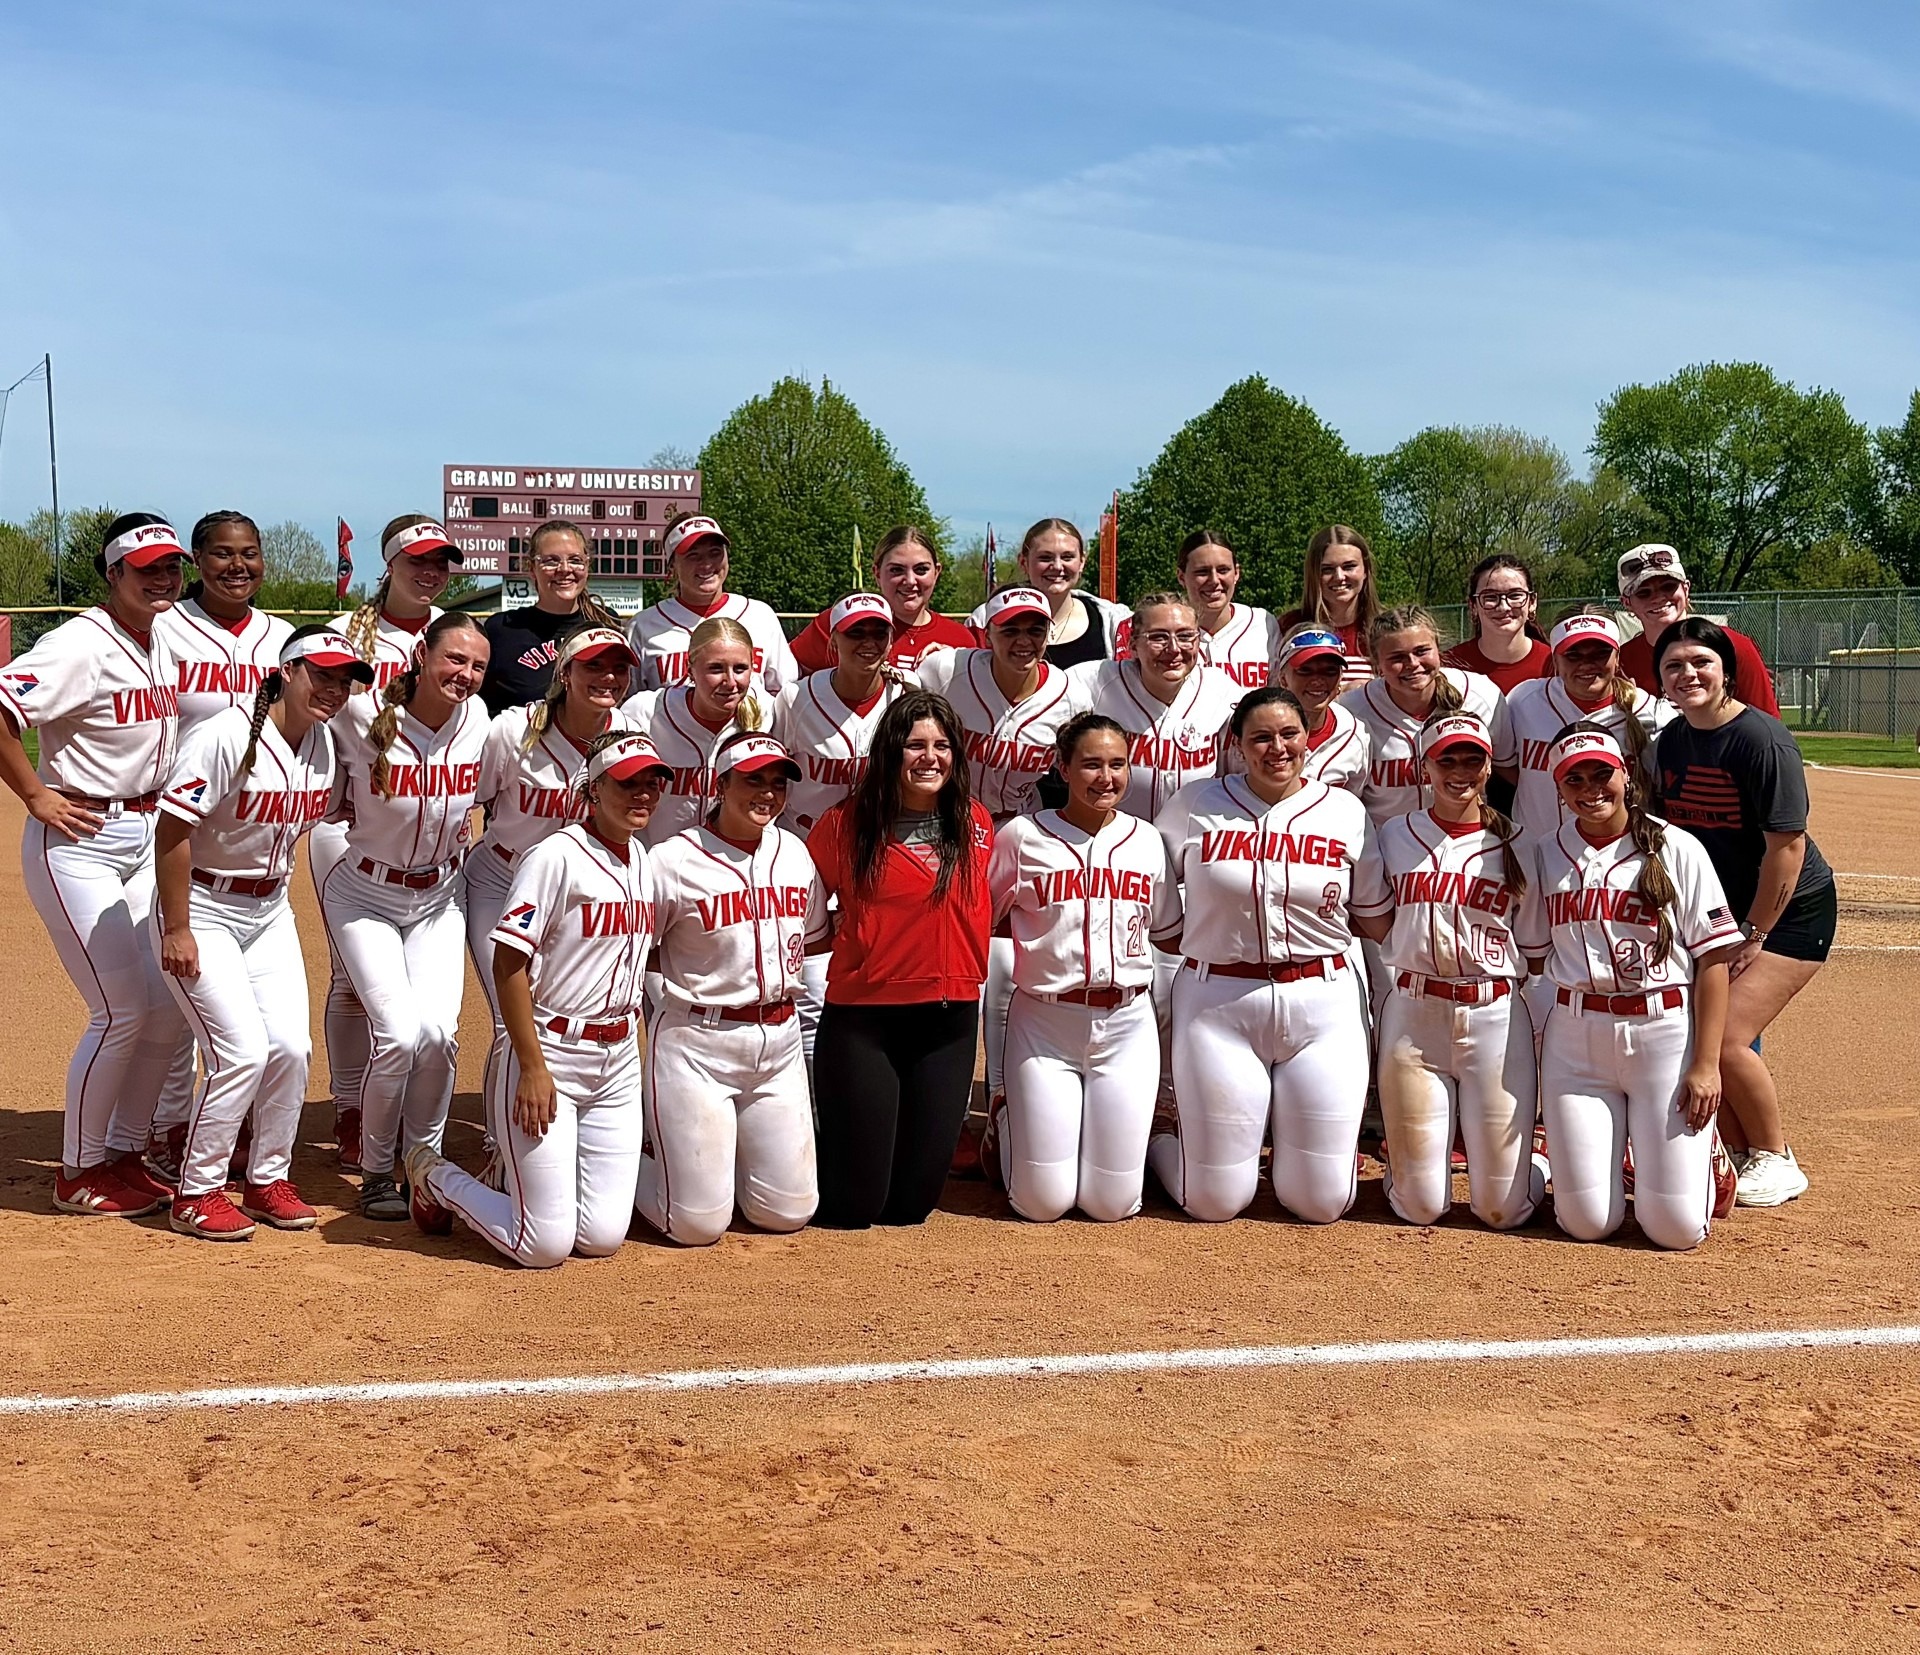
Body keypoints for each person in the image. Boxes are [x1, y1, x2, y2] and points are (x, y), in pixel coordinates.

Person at [405, 733, 666, 1268]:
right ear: (592, 791)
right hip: (550, 1051)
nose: (641, 794)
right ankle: (434, 1175)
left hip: (616, 1063)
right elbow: (508, 963)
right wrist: (531, 1066)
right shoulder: (555, 857)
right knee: (542, 1245)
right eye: (626, 783)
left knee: (599, 1238)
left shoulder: (643, 859)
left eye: (650, 783)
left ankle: (508, 1176)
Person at [0, 514, 193, 1215]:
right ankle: (79, 1170)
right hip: (80, 838)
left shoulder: (161, 635)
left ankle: (124, 1151)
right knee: (119, 1010)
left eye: (170, 566)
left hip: (146, 834)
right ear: (112, 575)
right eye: (146, 569)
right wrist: (33, 792)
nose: (162, 578)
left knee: (166, 1009)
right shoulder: (79, 642)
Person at [150, 628, 370, 1239]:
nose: (333, 688)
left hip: (268, 911)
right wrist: (177, 926)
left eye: (343, 679)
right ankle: (197, 1191)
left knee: (291, 1049)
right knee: (240, 1052)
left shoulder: (323, 744)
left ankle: (267, 1176)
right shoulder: (224, 735)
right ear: (287, 671)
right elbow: (172, 831)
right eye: (320, 674)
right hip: (201, 902)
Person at [1147, 686, 1377, 1223]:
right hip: (1219, 1001)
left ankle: (1283, 1155)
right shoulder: (1195, 804)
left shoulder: (1344, 810)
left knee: (1320, 1203)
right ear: (1237, 746)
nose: (1277, 748)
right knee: (1214, 1201)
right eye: (1261, 738)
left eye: (1289, 734)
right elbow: (1157, 903)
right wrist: (1210, 942)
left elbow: (1372, 912)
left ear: (1307, 739)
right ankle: (1161, 1143)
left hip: (1323, 1000)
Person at [1516, 724, 1745, 1250]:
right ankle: (1614, 1157)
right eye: (1575, 778)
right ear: (1558, 788)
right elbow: (1533, 954)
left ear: (1626, 776)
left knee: (1675, 1230)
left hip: (1662, 1033)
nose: (1591, 787)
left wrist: (1706, 1065)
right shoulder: (1545, 853)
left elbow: (1712, 960)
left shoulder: (1676, 847)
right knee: (1586, 1222)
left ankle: (1708, 1160)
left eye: (1603, 773)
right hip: (1577, 1040)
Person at [1654, 617, 1831, 1207]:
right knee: (1693, 1031)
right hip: (1722, 912)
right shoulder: (1672, 740)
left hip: (1789, 911)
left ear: (1726, 670)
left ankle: (1777, 1159)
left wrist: (1755, 932)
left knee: (1727, 1037)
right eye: (1674, 665)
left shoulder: (1761, 739)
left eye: (1701, 662)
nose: (1688, 674)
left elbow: (1788, 846)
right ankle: (1728, 1155)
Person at [319, 611, 490, 1219]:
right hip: (364, 895)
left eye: (477, 666)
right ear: (422, 654)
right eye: (455, 660)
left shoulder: (479, 722)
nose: (465, 675)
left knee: (439, 1037)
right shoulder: (360, 715)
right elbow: (296, 731)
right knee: (396, 1036)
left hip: (440, 899)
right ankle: (373, 1173)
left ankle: (424, 1164)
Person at [807, 691, 994, 1227]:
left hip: (949, 1018)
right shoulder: (845, 825)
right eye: (914, 745)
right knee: (855, 1207)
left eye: (942, 745)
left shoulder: (975, 822)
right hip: (865, 1018)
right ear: (890, 752)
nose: (929, 757)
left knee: (912, 1207)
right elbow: (804, 906)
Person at [1350, 711, 1542, 1230]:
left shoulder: (1519, 842)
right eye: (1446, 759)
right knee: (1420, 1208)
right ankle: (1409, 1174)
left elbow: (1537, 946)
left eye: (1472, 758)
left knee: (1502, 1210)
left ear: (1488, 767)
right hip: (1415, 1015)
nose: (1460, 770)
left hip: (1495, 1017)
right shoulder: (1392, 836)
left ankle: (1533, 1168)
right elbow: (1372, 916)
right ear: (1423, 769)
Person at [984, 714, 1181, 1221]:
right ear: (1062, 768)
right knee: (1041, 1203)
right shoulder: (1023, 836)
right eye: (1091, 765)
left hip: (1126, 1025)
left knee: (1111, 1204)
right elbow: (981, 916)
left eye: (1118, 765)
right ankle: (1005, 1120)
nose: (1106, 778)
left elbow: (1166, 931)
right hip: (1045, 1025)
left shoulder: (1147, 840)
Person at [146, 510, 295, 1180]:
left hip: (248, 829)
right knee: (179, 1007)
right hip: (173, 825)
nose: (239, 566)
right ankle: (170, 1130)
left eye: (251, 553)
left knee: (237, 1018)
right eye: (223, 554)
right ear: (197, 560)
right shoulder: (166, 629)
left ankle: (229, 1135)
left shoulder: (282, 638)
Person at [636, 733, 826, 1245]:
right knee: (696, 1225)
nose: (767, 792)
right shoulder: (672, 859)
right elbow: (637, 948)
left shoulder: (794, 853)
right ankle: (624, 1162)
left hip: (779, 1045)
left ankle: (715, 1164)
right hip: (698, 1045)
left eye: (777, 782)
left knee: (786, 1212)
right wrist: (663, 1002)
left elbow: (811, 940)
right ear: (720, 784)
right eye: (752, 779)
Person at [318, 513, 456, 1173]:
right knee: (351, 982)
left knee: (413, 998)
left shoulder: (454, 639)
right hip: (344, 824)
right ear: (389, 563)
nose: (429, 572)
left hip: (418, 831)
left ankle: (395, 1111)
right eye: (418, 560)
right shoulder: (348, 635)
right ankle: (349, 1108)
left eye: (440, 563)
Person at [917, 588, 1075, 1118]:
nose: (1023, 640)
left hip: (1018, 831)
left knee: (1008, 969)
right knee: (944, 964)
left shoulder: (1071, 694)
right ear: (987, 633)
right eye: (1010, 630)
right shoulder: (946, 670)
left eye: (1034, 629)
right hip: (948, 828)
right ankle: (949, 1107)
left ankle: (1004, 1104)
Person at [469, 627, 639, 1086]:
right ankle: (502, 1144)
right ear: (565, 673)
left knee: (553, 1012)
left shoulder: (627, 735)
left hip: (574, 898)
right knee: (512, 1018)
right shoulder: (513, 730)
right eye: (594, 666)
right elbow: (471, 798)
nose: (608, 676)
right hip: (500, 883)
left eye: (618, 667)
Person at [772, 591, 917, 1063]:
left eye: (878, 632)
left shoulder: (905, 697)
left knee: (880, 980)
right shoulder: (796, 699)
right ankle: (816, 1113)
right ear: (833, 640)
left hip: (878, 855)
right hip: (808, 853)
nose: (868, 641)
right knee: (811, 990)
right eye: (856, 632)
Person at [1060, 592, 1241, 822]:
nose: (1174, 648)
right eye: (1158, 637)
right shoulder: (1097, 680)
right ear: (1133, 644)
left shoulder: (1221, 691)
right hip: (1113, 842)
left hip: (1191, 840)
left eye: (1186, 636)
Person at [1506, 612, 1672, 848]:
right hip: (1537, 854)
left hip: (1623, 856)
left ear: (1617, 657)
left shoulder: (1650, 714)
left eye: (1600, 653)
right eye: (1573, 655)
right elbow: (1503, 765)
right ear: (1555, 659)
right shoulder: (1524, 701)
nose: (1586, 664)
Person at [1345, 607, 1514, 826]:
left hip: (1468, 839)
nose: (1413, 664)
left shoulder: (1480, 694)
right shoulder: (1353, 710)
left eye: (1422, 651)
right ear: (1376, 663)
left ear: (1438, 647)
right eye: (1397, 657)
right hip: (1386, 846)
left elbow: (1509, 772)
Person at [621, 615, 767, 846]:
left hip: (731, 863)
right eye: (716, 668)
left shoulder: (768, 714)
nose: (730, 681)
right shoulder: (645, 712)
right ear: (690, 669)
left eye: (740, 669)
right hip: (656, 864)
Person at [627, 512, 797, 696]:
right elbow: (628, 701)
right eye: (693, 555)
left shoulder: (760, 616)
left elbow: (783, 694)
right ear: (672, 566)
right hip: (670, 725)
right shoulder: (643, 626)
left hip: (750, 725)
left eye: (715, 553)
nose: (706, 564)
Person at [479, 519, 625, 715]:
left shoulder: (605, 623)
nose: (564, 569)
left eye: (575, 560)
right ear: (532, 568)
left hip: (589, 744)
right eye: (551, 561)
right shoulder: (501, 630)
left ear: (587, 565)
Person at [1614, 544, 1779, 715]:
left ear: (1686, 589)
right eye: (1644, 593)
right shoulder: (1623, 663)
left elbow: (1767, 725)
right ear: (1627, 603)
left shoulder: (1733, 645)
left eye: (1668, 586)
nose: (1658, 597)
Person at [788, 526, 975, 673]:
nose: (910, 581)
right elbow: (786, 680)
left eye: (921, 570)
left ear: (937, 572)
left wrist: (949, 663)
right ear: (877, 573)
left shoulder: (960, 639)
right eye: (896, 570)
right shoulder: (840, 622)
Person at [968, 519, 1127, 669]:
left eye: (1067, 557)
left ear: (1082, 562)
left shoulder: (1114, 621)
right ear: (1024, 562)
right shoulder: (985, 619)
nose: (1057, 566)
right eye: (1045, 558)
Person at [1171, 530, 1280, 689]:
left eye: (1223, 570)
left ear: (1236, 573)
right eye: (1202, 572)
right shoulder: (1167, 629)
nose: (1214, 580)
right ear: (1181, 577)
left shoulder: (1263, 623)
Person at [1277, 525, 1382, 690]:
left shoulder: (1385, 629)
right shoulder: (1287, 627)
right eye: (1327, 569)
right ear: (1313, 574)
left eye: (1349, 566)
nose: (1339, 577)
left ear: (1365, 570)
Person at [1442, 553, 1551, 695]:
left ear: (1532, 602)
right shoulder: (1449, 668)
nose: (1503, 607)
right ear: (1473, 605)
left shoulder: (1556, 664)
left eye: (1515, 595)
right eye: (1490, 597)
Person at [1276, 627, 1369, 793]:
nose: (1318, 680)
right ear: (1283, 679)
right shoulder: (1254, 729)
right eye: (1305, 670)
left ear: (1341, 677)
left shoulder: (1355, 734)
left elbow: (1354, 801)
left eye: (1330, 671)